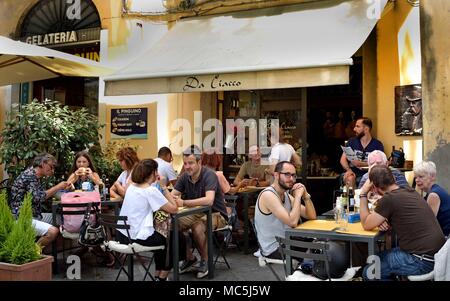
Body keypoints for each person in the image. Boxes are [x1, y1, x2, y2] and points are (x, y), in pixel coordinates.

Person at [359, 165, 445, 280]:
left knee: (370, 272)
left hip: (422, 261)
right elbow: (402, 214)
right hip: (438, 255)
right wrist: (383, 218)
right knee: (376, 258)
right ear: (394, 178)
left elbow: (366, 224)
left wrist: (363, 193)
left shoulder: (389, 199)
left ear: (374, 187)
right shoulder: (410, 191)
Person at [117, 159, 184, 281]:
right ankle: (162, 277)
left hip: (122, 236)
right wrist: (164, 188)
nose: (158, 173)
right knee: (176, 238)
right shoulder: (150, 191)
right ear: (152, 172)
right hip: (135, 238)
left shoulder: (131, 187)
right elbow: (174, 209)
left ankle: (158, 275)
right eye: (156, 170)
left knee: (163, 236)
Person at [171, 145, 228, 279]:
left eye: (190, 163)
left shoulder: (209, 175)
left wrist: (184, 203)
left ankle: (206, 260)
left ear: (199, 162)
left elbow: (209, 200)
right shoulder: (185, 176)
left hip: (217, 214)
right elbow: (173, 195)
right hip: (196, 212)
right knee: (171, 224)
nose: (187, 166)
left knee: (197, 227)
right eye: (185, 163)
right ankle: (189, 258)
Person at [255, 161, 316, 259]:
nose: (291, 179)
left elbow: (311, 216)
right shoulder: (268, 195)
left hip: (287, 241)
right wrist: (298, 196)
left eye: (294, 175)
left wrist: (306, 196)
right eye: (287, 175)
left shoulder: (286, 195)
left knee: (321, 244)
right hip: (274, 248)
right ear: (276, 175)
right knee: (318, 253)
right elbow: (292, 222)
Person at [10, 153, 70, 249]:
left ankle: (52, 253)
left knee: (61, 219)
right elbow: (39, 197)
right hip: (22, 218)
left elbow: (41, 194)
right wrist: (58, 187)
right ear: (43, 163)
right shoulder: (29, 176)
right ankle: (32, 253)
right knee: (52, 232)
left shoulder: (34, 176)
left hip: (35, 215)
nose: (52, 171)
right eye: (51, 167)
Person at [340, 117, 384, 188]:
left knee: (370, 180)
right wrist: (349, 170)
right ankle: (352, 199)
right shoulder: (351, 142)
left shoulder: (377, 145)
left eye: (357, 126)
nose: (354, 129)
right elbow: (343, 160)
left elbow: (380, 164)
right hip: (352, 172)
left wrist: (362, 164)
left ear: (366, 129)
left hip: (369, 174)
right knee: (350, 178)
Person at [414, 161, 450, 237]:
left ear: (432, 176)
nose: (417, 180)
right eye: (415, 177)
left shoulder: (433, 195)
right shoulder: (433, 190)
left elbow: (428, 224)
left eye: (421, 176)